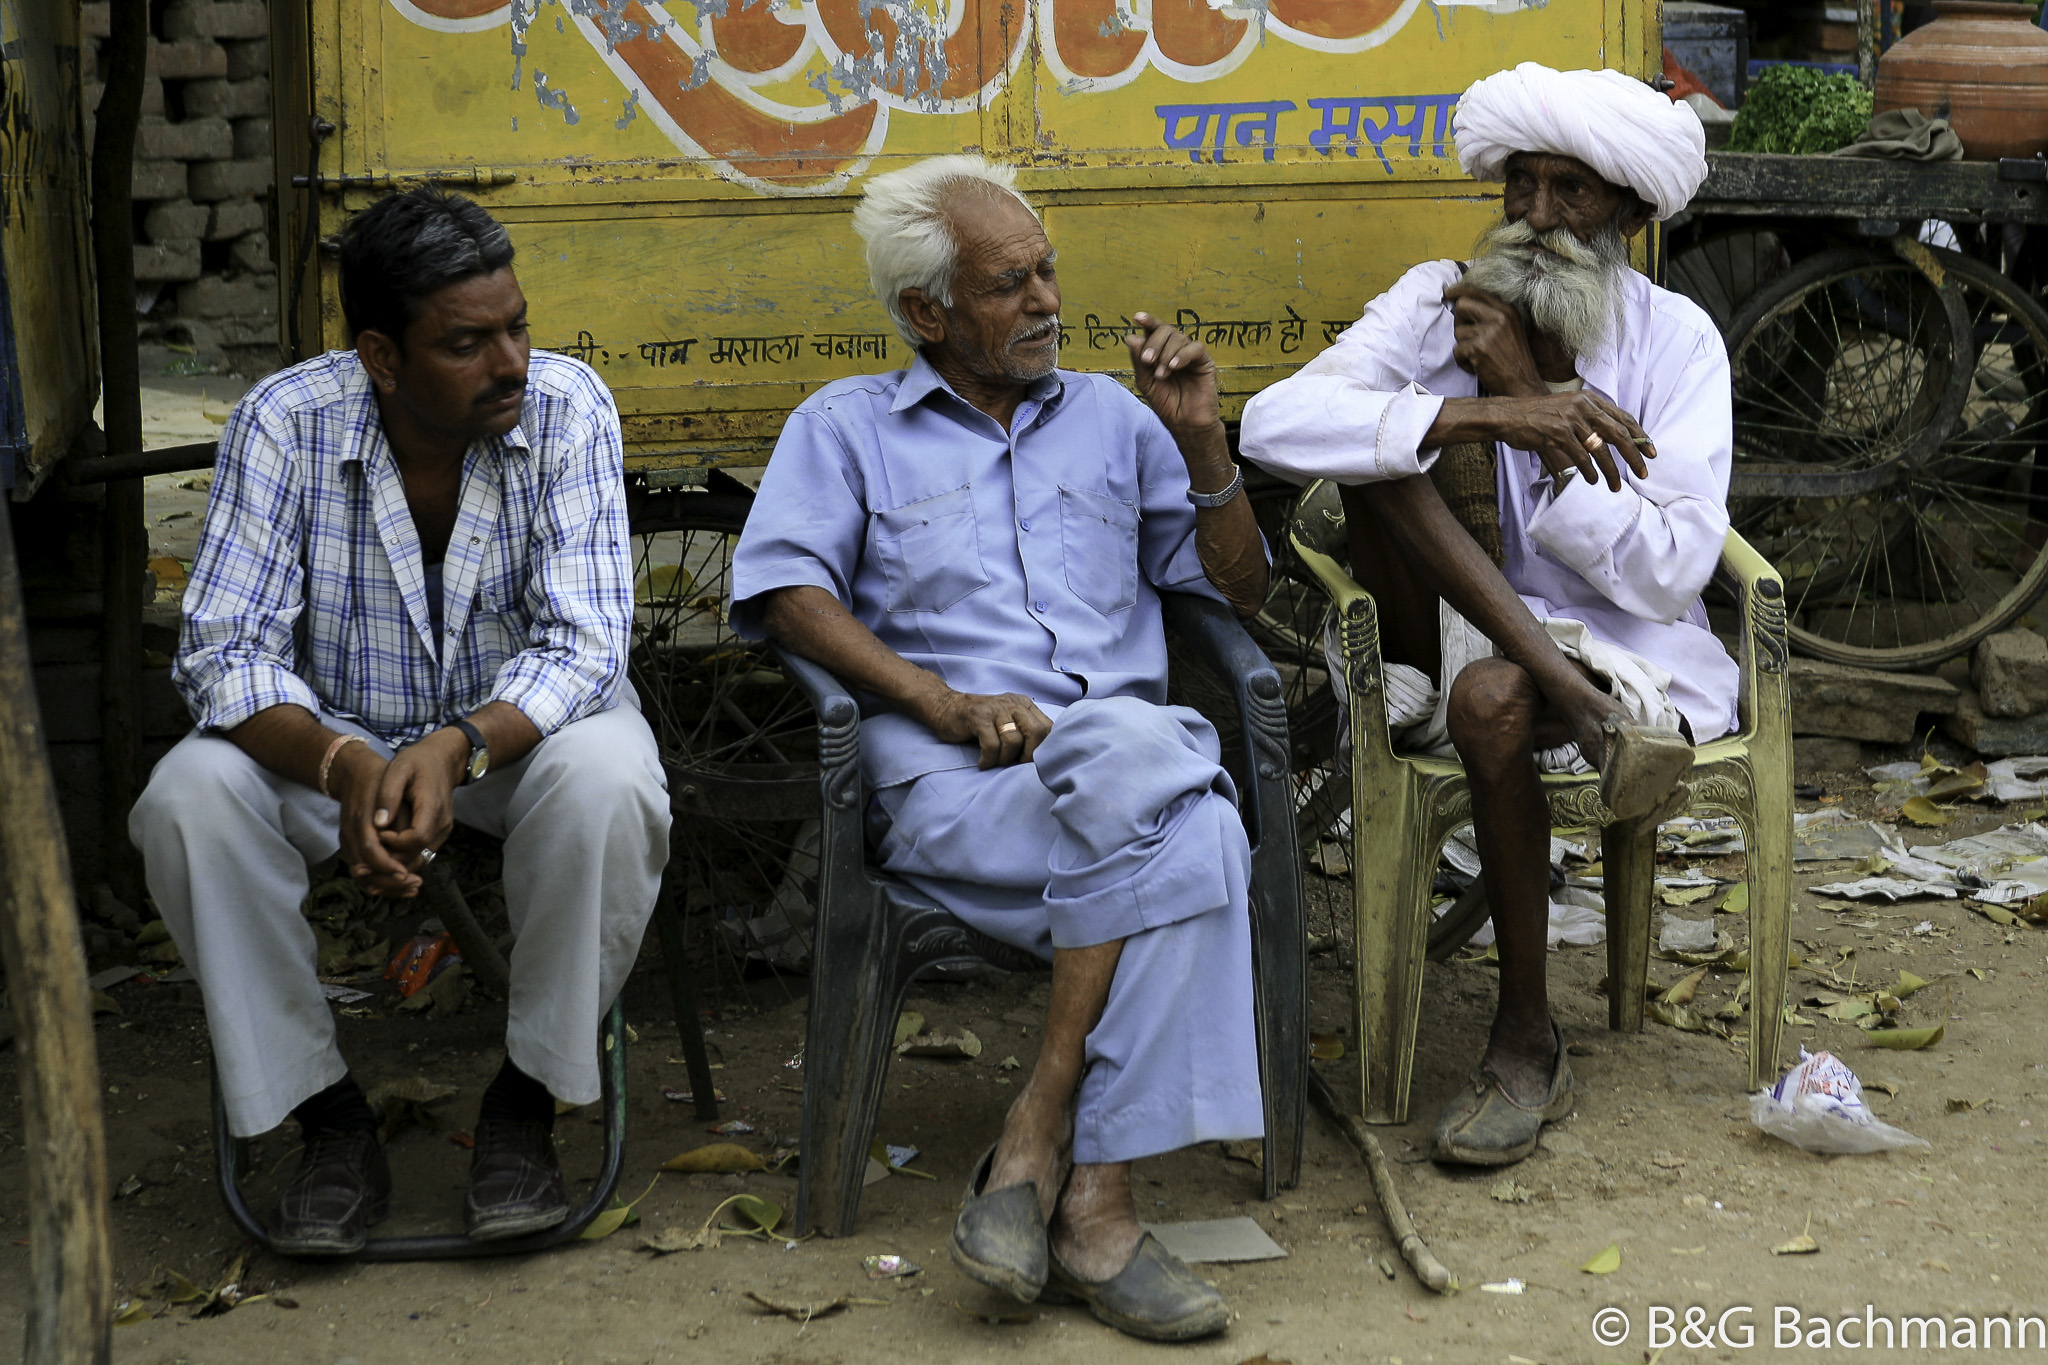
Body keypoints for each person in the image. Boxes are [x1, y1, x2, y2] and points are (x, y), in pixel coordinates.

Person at [729, 154, 1270, 1342]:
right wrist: (933, 699)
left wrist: (1201, 444)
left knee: (1146, 779)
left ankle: (1052, 1158)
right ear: (925, 313)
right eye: (1005, 284)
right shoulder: (846, 428)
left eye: (1046, 273)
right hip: (964, 792)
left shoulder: (1121, 422)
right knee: (1201, 836)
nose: (1044, 302)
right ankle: (1092, 1205)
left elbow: (1233, 593)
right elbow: (783, 594)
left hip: (1115, 767)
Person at [130, 187, 670, 1251]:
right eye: (467, 344)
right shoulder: (283, 422)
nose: (510, 363)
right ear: (381, 356)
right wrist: (343, 764)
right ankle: (327, 1117)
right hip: (332, 743)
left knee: (613, 783)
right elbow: (223, 653)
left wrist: (455, 747)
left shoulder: (568, 408)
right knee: (185, 801)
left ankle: (526, 1103)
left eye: (517, 326)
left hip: (515, 742)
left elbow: (583, 645)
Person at [1240, 64, 1733, 1167]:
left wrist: (1538, 412)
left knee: (1489, 698)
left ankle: (1525, 1040)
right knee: (1383, 450)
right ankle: (1561, 694)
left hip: (1622, 648)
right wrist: (1484, 414)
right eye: (1522, 185)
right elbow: (1272, 423)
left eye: (1572, 192)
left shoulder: (1678, 342)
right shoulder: (1438, 301)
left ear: (1630, 214)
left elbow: (1667, 576)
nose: (1538, 217)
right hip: (1441, 626)